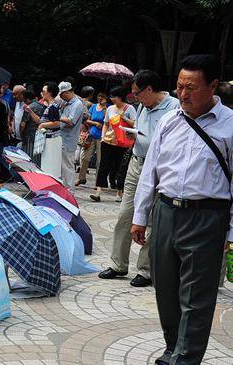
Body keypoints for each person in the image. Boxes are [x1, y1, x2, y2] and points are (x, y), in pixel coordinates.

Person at [132, 55, 233, 365]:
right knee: (166, 290)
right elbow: (152, 171)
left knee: (196, 298)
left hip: (207, 217)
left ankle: (185, 359)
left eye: (191, 87)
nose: (183, 94)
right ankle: (172, 347)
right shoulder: (169, 119)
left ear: (213, 86)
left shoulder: (230, 125)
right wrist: (140, 216)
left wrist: (231, 232)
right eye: (178, 86)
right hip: (165, 212)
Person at [98, 70, 180, 288]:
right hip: (137, 164)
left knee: (153, 220)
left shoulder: (174, 108)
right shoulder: (144, 106)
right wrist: (133, 133)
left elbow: (171, 141)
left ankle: (145, 270)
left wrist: (143, 137)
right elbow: (143, 132)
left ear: (150, 89)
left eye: (137, 93)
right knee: (126, 214)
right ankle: (118, 264)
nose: (134, 98)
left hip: (161, 169)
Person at [90, 86, 136, 202]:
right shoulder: (110, 108)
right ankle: (98, 191)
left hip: (122, 143)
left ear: (120, 97)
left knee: (120, 167)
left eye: (113, 96)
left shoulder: (129, 108)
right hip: (108, 141)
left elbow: (134, 124)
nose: (111, 98)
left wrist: (124, 117)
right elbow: (105, 124)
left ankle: (119, 192)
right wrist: (102, 136)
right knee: (104, 165)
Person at [55, 81, 85, 191]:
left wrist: (57, 117)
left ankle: (69, 191)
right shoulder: (68, 103)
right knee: (63, 166)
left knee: (68, 166)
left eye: (62, 95)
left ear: (66, 92)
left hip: (69, 139)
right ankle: (65, 188)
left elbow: (71, 121)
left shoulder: (77, 104)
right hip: (63, 138)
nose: (61, 97)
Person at [76, 92, 109, 185]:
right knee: (85, 158)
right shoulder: (93, 107)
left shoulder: (108, 108)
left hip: (102, 137)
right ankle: (81, 178)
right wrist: (95, 123)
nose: (100, 98)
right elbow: (87, 119)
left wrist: (105, 107)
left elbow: (108, 120)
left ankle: (98, 183)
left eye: (102, 96)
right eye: (99, 96)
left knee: (99, 161)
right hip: (91, 135)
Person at [20, 90, 46, 161]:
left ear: (28, 99)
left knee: (28, 158)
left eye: (24, 100)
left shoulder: (28, 108)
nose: (24, 102)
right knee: (38, 158)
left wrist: (21, 134)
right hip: (40, 137)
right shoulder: (43, 106)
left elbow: (23, 124)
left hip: (28, 137)